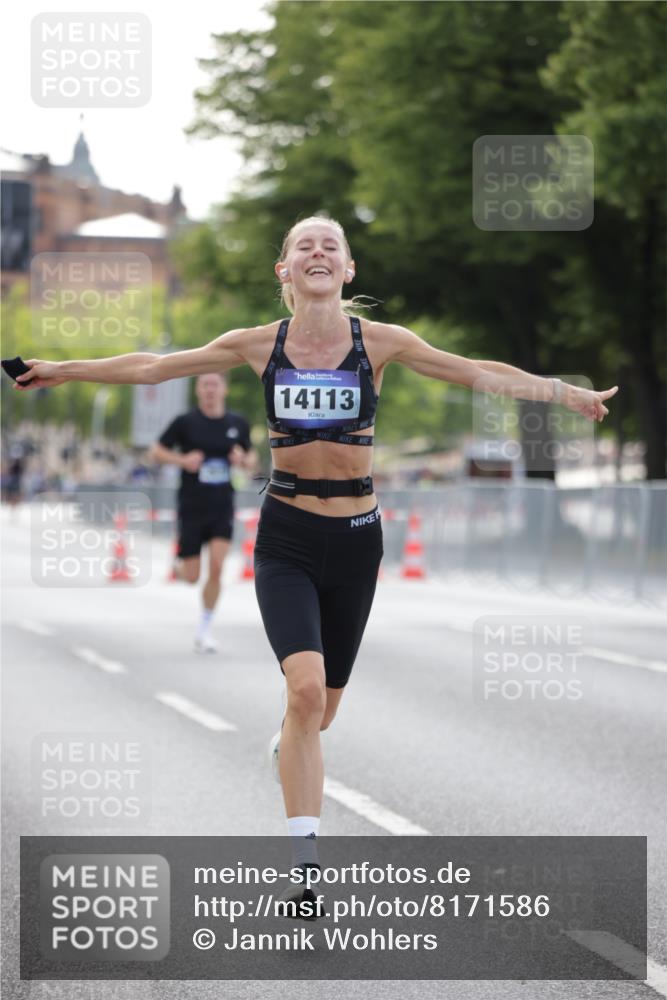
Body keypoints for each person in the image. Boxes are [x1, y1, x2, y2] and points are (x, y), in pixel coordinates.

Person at [11, 214, 618, 917]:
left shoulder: (381, 343)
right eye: (305, 245)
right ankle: (305, 872)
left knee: (321, 712)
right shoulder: (257, 344)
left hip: (357, 537)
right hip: (288, 535)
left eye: (332, 245)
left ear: (348, 269)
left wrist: (561, 391)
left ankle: (291, 741)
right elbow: (154, 366)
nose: (319, 252)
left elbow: (478, 373)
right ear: (286, 270)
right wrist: (62, 369)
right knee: (302, 692)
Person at [149, 372, 256, 653]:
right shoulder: (185, 422)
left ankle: (205, 628)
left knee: (218, 567)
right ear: (198, 390)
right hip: (192, 505)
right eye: (205, 385)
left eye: (215, 384)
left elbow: (252, 457)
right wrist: (182, 460)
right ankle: (178, 567)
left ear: (224, 389)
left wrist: (242, 459)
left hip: (222, 505)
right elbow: (156, 452)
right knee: (192, 576)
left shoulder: (237, 423)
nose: (210, 389)